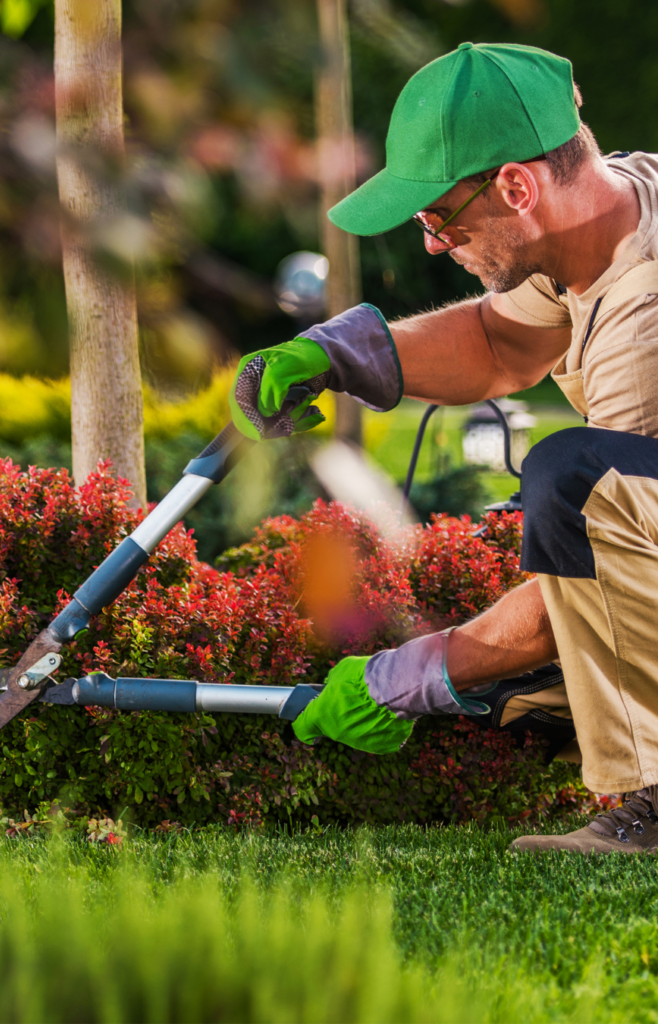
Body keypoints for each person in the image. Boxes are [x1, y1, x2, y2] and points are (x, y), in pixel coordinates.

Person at [229, 41, 658, 854]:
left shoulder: (647, 319)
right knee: (535, 666)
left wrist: (404, 679)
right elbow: (501, 345)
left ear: (517, 187)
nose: (430, 244)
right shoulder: (611, 207)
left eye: (439, 219)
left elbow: (613, 549)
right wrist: (339, 356)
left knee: (569, 483)